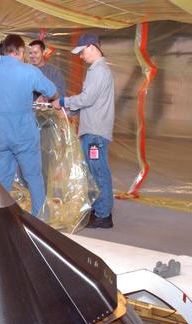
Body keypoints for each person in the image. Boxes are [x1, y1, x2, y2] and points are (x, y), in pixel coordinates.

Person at [0, 34, 57, 217]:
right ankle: (40, 219)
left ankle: (0, 219)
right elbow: (52, 91)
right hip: (24, 132)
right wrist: (53, 98)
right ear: (20, 51)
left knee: (2, 178)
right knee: (33, 176)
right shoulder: (29, 71)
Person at [52, 33, 114, 229]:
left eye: (82, 51)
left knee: (99, 172)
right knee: (93, 173)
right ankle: (98, 209)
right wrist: (68, 111)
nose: (80, 56)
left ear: (91, 47)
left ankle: (103, 215)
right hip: (92, 129)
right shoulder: (96, 70)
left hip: (95, 132)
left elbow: (87, 99)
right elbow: (89, 102)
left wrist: (63, 102)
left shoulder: (99, 71)